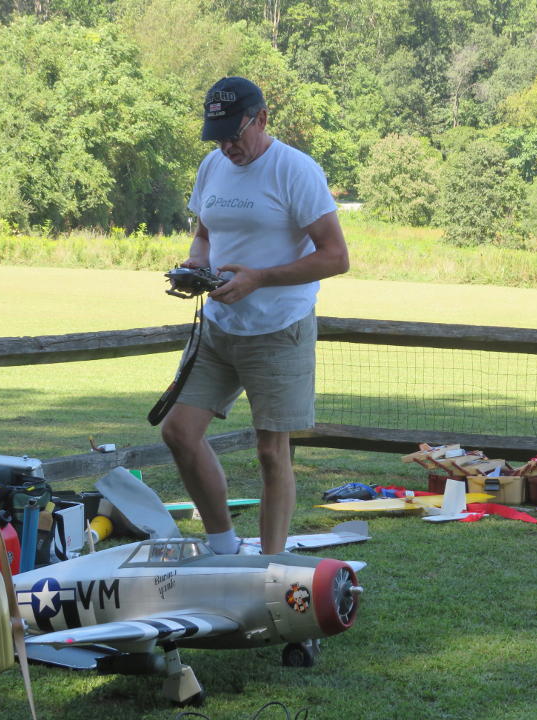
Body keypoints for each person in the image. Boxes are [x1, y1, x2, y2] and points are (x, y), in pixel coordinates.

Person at [161, 76, 349, 555]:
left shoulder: (296, 171)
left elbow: (335, 257)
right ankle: (224, 549)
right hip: (219, 329)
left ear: (261, 119)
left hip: (278, 329)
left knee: (271, 452)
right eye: (217, 136)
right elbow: (204, 233)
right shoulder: (212, 166)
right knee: (179, 433)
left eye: (234, 134)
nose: (226, 147)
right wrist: (197, 263)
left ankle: (269, 569)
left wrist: (258, 278)